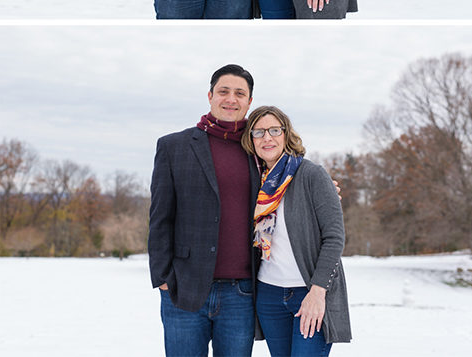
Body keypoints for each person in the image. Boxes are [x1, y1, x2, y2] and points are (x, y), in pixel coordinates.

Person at [148, 64, 260, 356]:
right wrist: (163, 278)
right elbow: (160, 217)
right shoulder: (174, 146)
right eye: (224, 91)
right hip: (183, 289)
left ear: (249, 101)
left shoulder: (260, 149)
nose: (231, 99)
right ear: (210, 96)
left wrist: (325, 187)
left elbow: (292, 181)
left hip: (242, 293)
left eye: (240, 93)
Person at [241, 105, 352, 355]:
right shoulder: (255, 182)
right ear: (251, 140)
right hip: (269, 295)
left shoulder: (311, 175)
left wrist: (317, 291)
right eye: (258, 132)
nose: (267, 138)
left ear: (286, 134)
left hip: (309, 292)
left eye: (274, 130)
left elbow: (334, 238)